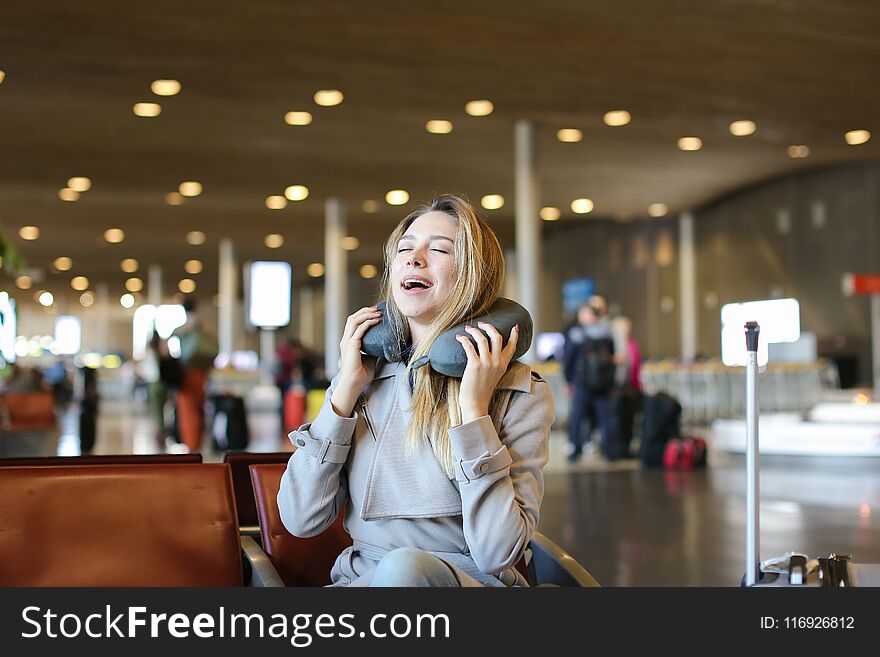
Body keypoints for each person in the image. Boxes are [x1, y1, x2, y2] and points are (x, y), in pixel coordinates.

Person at [277, 194, 554, 587]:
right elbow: (300, 518)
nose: (415, 257)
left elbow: (497, 553)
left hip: (467, 586)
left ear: (473, 274)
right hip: (363, 584)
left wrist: (474, 412)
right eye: (405, 249)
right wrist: (343, 396)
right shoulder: (359, 379)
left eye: (439, 249)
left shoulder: (519, 391)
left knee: (404, 570)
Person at [562, 301, 615, 463]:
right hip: (603, 383)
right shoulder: (606, 333)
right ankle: (607, 449)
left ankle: (574, 449)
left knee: (578, 416)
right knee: (604, 417)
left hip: (582, 382)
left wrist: (568, 380)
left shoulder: (577, 334)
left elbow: (568, 359)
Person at [171, 297, 218, 453]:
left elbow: (173, 334)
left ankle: (191, 443)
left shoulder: (188, 325)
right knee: (198, 407)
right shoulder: (203, 325)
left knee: (188, 409)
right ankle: (196, 441)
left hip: (189, 372)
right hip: (202, 372)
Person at [606, 315, 642, 460]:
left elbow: (636, 367)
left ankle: (626, 449)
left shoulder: (632, 344)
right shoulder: (612, 345)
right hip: (616, 388)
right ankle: (615, 450)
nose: (625, 331)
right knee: (616, 421)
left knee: (629, 421)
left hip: (631, 387)